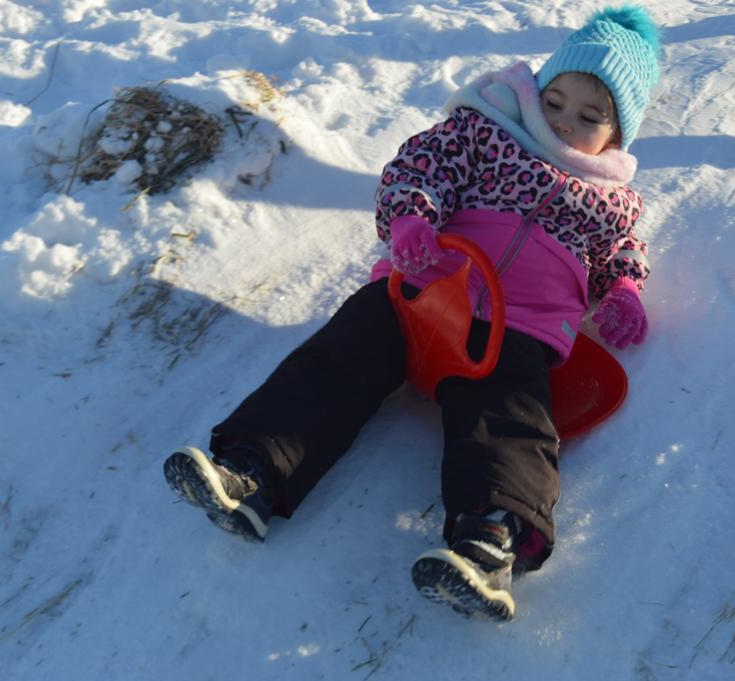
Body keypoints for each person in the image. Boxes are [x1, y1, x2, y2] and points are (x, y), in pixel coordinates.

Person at [164, 5, 660, 622]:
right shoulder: (487, 131)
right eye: (554, 100)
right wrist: (411, 219)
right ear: (536, 89)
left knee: (510, 416)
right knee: (340, 357)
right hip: (425, 290)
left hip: (516, 327)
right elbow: (424, 166)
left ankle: (490, 539)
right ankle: (252, 470)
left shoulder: (611, 202)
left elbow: (621, 253)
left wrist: (624, 291)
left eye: (589, 117)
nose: (562, 121)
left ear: (616, 135)